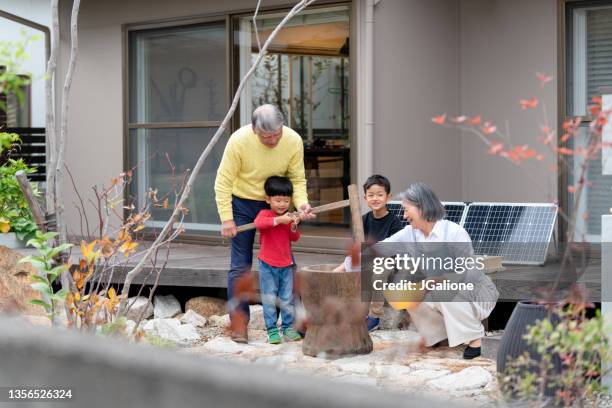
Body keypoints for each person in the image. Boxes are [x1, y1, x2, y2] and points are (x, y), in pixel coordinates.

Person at [345, 182, 499, 359]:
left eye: (407, 209)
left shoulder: (454, 232)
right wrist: (348, 264)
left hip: (475, 293)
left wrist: (428, 283)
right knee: (403, 294)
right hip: (439, 291)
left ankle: (475, 338)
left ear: (422, 207)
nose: (404, 215)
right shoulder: (410, 233)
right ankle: (436, 336)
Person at [214, 104, 314, 343]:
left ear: (282, 127)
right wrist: (227, 218)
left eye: (276, 134)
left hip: (276, 202)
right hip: (242, 203)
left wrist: (301, 205)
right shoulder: (239, 141)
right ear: (253, 129)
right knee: (240, 266)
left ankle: (295, 322)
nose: (272, 140)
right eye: (266, 136)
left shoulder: (292, 140)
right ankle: (239, 323)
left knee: (286, 263)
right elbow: (223, 183)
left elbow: (297, 179)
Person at [334, 175, 403, 331]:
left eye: (380, 194)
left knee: (378, 269)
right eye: (371, 195)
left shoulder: (394, 222)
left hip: (388, 263)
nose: (375, 198)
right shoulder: (363, 220)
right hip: (367, 259)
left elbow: (395, 251)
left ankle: (374, 316)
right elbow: (357, 248)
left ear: (388, 197)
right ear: (365, 198)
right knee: (347, 265)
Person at [254, 176, 303, 344]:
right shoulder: (265, 214)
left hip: (286, 264)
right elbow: (259, 223)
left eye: (286, 200)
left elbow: (294, 238)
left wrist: (294, 224)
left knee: (287, 297)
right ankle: (272, 330)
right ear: (268, 199)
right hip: (267, 264)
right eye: (278, 200)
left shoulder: (288, 216)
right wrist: (278, 220)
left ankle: (288, 328)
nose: (282, 204)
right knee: (269, 297)